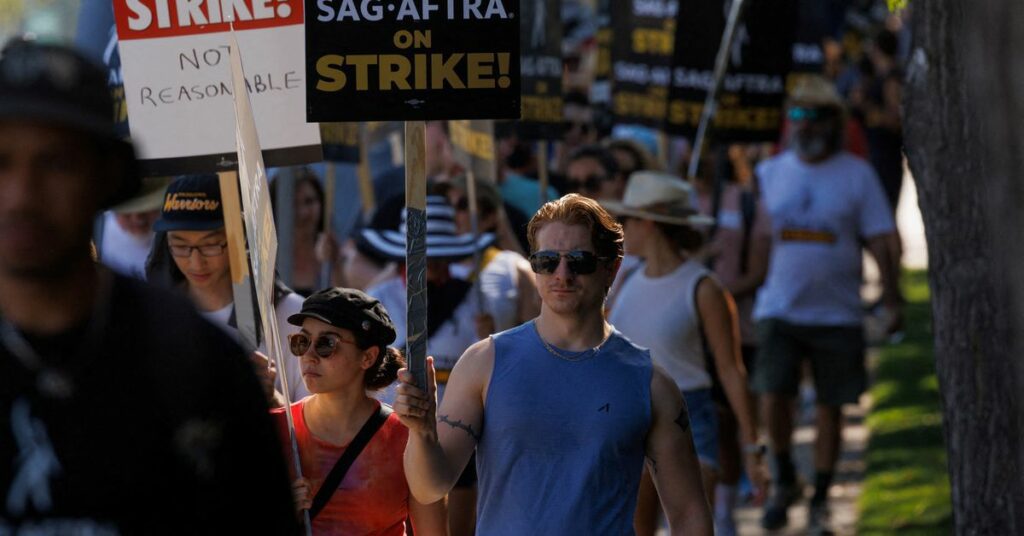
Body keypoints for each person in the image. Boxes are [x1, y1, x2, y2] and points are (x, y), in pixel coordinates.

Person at [0, 39, 296, 532]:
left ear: (107, 175)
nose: (21, 195)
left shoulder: (198, 363)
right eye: (1, 162)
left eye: (56, 163)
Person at [394, 194, 714, 535]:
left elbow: (689, 512)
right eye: (547, 261)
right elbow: (430, 487)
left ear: (612, 268)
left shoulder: (650, 383)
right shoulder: (484, 362)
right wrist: (422, 431)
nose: (562, 274)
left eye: (579, 260)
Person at [754, 76, 903, 533]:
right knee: (772, 393)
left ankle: (820, 496)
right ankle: (783, 477)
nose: (804, 124)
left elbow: (881, 238)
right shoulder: (771, 172)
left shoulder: (856, 174)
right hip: (779, 307)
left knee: (831, 406)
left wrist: (892, 294)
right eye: (796, 114)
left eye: (815, 116)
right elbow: (758, 241)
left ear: (834, 122)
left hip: (837, 312)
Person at [603, 172, 767, 535]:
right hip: (632, 411)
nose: (621, 228)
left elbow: (730, 370)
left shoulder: (703, 287)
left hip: (688, 415)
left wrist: (752, 447)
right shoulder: (626, 281)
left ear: (649, 222)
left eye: (627, 220)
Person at [360, 196, 495, 536]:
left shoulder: (473, 300)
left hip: (456, 432)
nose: (432, 267)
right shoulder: (379, 298)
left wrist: (490, 335)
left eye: (440, 258)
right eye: (424, 258)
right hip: (392, 431)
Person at [279, 288, 446, 535]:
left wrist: (427, 433)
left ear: (367, 357)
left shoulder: (407, 436)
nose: (309, 355)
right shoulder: (273, 429)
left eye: (326, 344)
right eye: (302, 341)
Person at [149, 174, 309, 404]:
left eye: (211, 245)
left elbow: (316, 429)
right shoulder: (155, 315)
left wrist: (271, 398)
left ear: (240, 238)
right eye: (181, 246)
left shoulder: (291, 318)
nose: (196, 262)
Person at [694, 145, 773, 535]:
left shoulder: (744, 203)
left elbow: (760, 267)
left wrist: (715, 295)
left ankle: (724, 512)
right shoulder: (682, 202)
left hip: (739, 328)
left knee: (730, 419)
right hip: (690, 336)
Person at [93, 176, 169, 279]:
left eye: (146, 209)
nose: (137, 219)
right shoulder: (95, 232)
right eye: (127, 213)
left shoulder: (177, 229)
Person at [271, 167, 328, 297]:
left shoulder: (336, 259)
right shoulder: (261, 262)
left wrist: (334, 265)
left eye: (309, 202)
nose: (302, 213)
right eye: (292, 204)